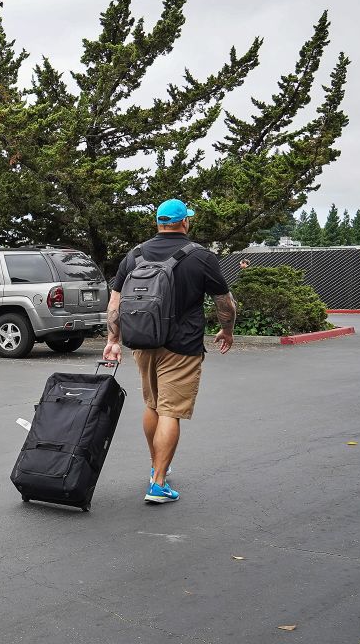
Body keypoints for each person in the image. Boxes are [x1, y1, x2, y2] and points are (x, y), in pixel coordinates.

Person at [103, 199, 237, 504]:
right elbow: (224, 303)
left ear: (158, 223)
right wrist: (227, 330)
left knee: (152, 406)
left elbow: (115, 303)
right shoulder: (201, 256)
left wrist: (113, 340)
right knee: (170, 411)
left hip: (142, 341)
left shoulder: (135, 255)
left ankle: (156, 467)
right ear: (185, 223)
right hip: (182, 346)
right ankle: (159, 484)